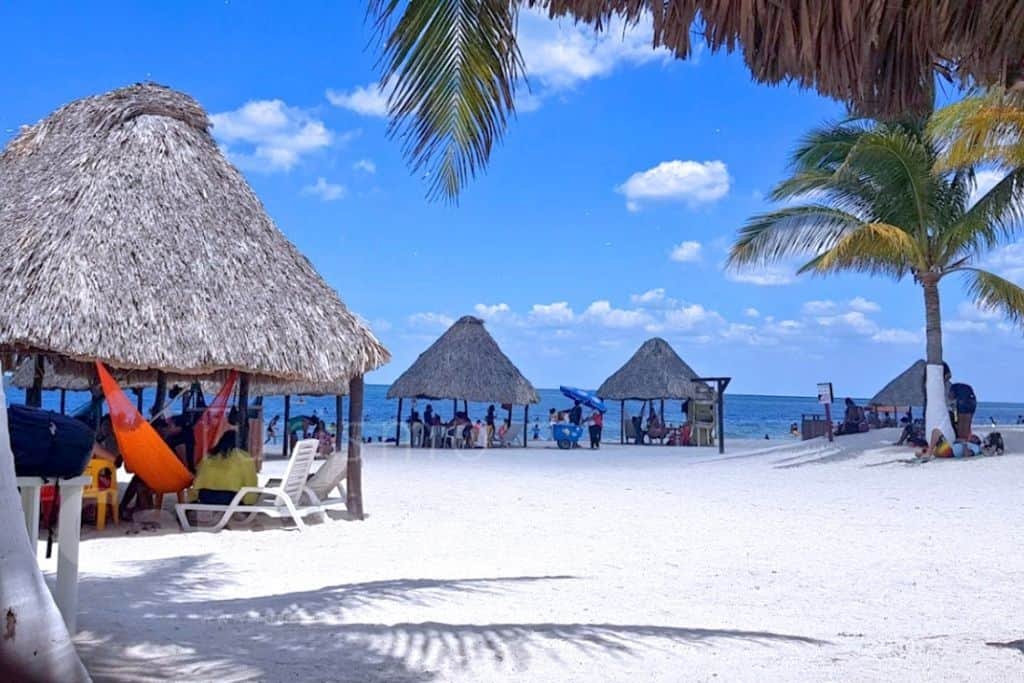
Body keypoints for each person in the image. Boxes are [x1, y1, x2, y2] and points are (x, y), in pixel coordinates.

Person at [189, 431, 259, 505]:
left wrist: (193, 499)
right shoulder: (244, 457)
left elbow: (197, 479)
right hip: (231, 498)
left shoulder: (208, 457)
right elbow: (251, 482)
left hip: (205, 496)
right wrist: (249, 502)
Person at [916, 429, 983, 459]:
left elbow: (967, 455)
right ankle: (926, 453)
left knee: (936, 431)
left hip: (949, 452)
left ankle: (928, 454)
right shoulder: (969, 443)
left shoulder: (976, 447)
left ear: (977, 440)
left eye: (974, 437)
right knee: (918, 452)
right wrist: (960, 441)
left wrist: (964, 444)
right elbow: (954, 443)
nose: (972, 436)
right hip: (948, 450)